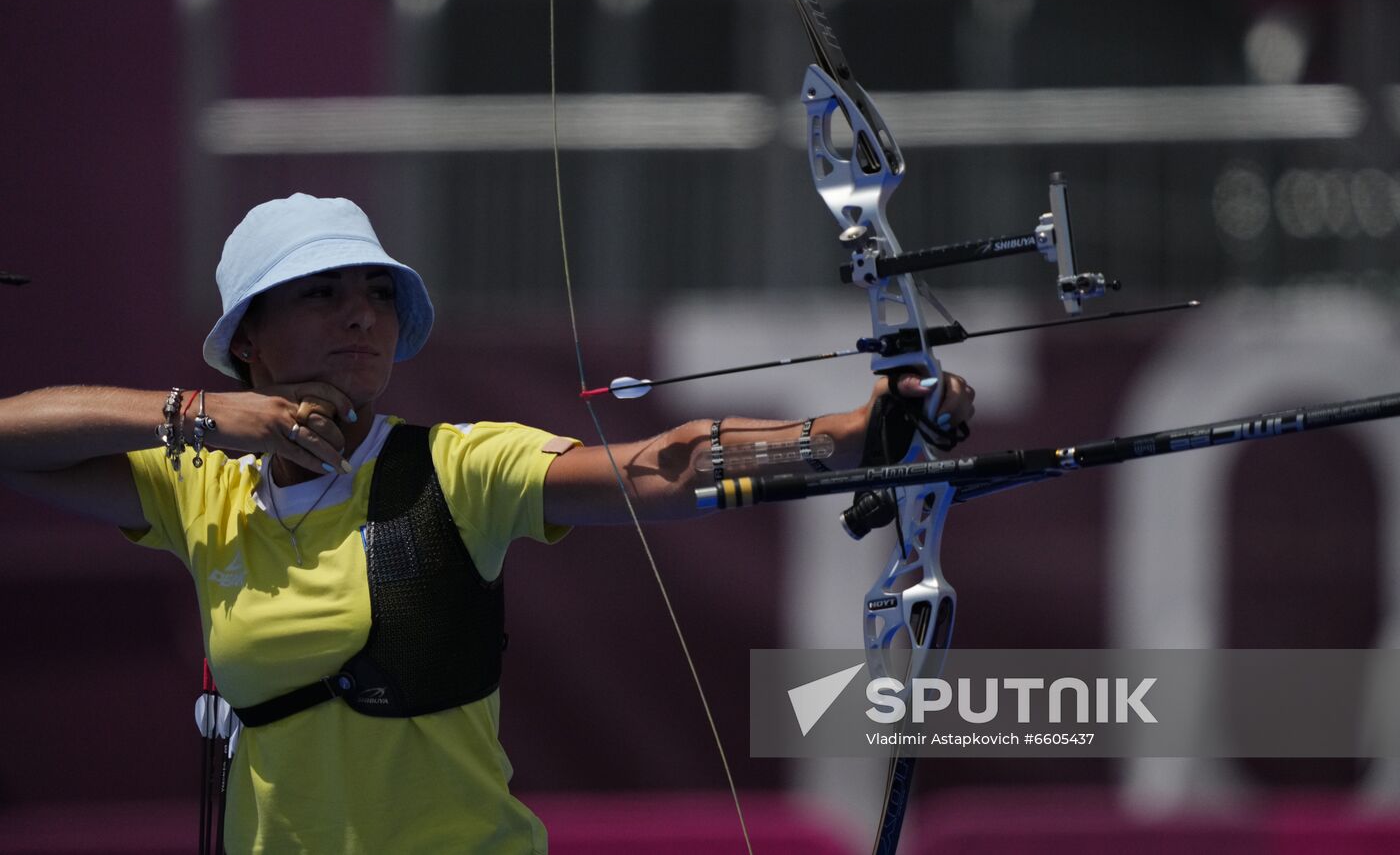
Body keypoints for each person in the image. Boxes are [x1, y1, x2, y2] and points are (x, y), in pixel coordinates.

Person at [0, 193, 975, 853]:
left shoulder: (456, 468)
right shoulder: (198, 492)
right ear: (247, 338)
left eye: (378, 292)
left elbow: (658, 466)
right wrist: (199, 418)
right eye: (323, 292)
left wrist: (848, 432)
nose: (362, 316)